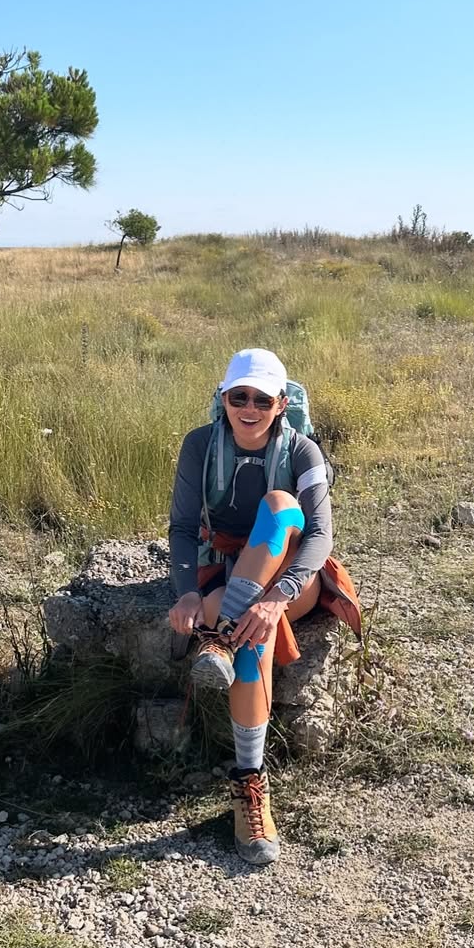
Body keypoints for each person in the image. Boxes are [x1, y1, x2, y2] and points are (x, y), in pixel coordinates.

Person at [168, 348, 361, 865]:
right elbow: (184, 528)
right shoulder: (199, 446)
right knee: (251, 634)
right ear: (223, 399)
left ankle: (223, 634)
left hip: (294, 580)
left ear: (281, 404)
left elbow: (319, 536)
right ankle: (250, 786)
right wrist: (186, 591)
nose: (248, 407)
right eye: (238, 397)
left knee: (279, 507)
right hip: (228, 573)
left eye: (261, 398)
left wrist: (279, 596)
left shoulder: (303, 452)